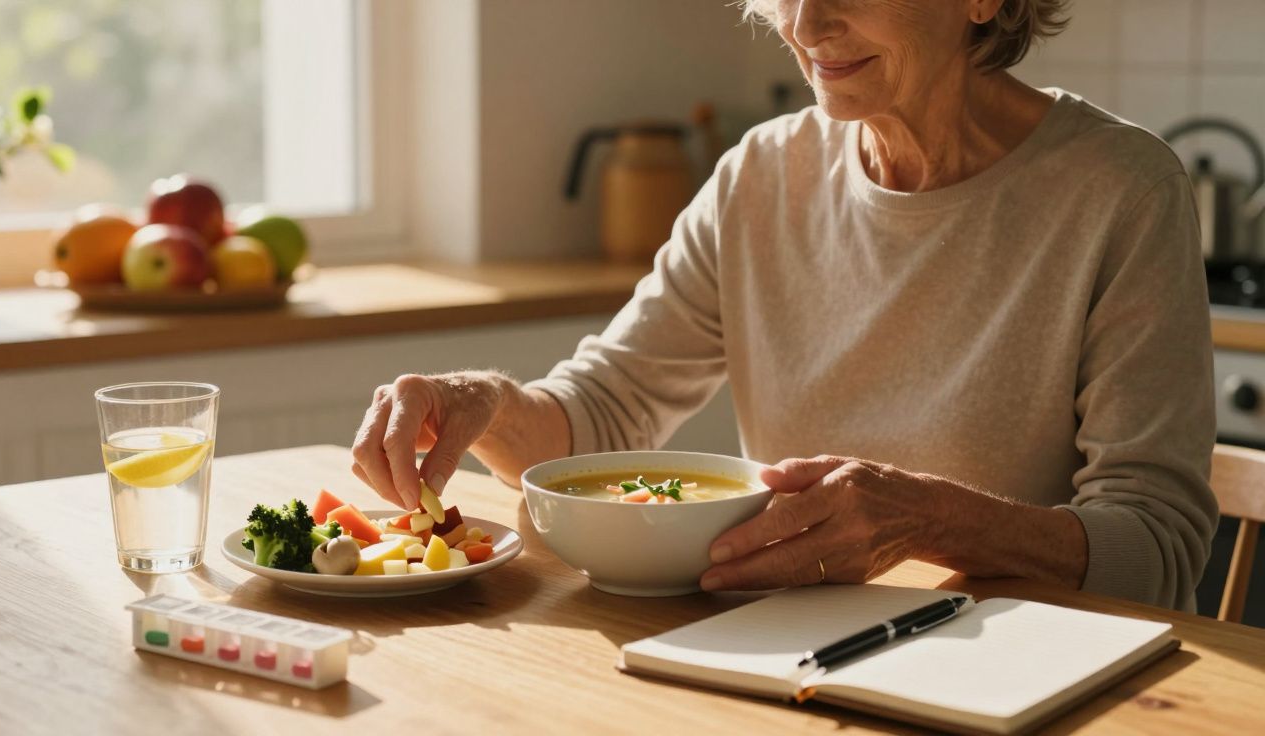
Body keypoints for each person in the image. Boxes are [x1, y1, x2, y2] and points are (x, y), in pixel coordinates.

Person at [352, 0, 1217, 611]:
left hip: (1019, 682)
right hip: (792, 659)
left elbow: (1159, 552)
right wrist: (487, 403)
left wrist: (931, 520)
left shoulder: (1122, 192)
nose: (805, 25)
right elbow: (605, 411)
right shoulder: (760, 176)